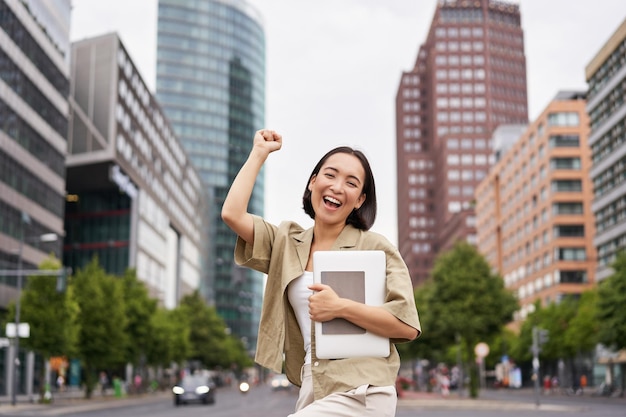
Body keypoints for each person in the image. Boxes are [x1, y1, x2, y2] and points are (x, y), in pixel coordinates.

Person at [222, 129, 421, 416]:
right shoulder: (286, 242)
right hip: (312, 386)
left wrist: (341, 307)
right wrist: (259, 153)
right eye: (330, 175)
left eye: (351, 183)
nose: (338, 186)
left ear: (360, 200)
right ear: (313, 182)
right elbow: (232, 214)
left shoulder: (375, 247)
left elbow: (406, 325)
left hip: (362, 390)